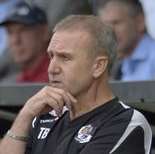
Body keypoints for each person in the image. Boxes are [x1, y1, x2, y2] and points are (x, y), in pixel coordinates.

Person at [0, 15, 152, 154]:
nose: (52, 69)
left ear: (98, 66)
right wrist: (24, 116)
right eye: (51, 56)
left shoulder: (125, 123)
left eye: (65, 58)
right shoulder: (41, 117)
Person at [94, 0, 155, 81]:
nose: (110, 31)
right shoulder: (117, 63)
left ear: (139, 22)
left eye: (116, 23)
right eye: (105, 25)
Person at [0, 1, 50, 83]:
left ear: (44, 32)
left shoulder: (57, 76)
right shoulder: (18, 79)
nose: (15, 40)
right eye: (10, 32)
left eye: (23, 30)